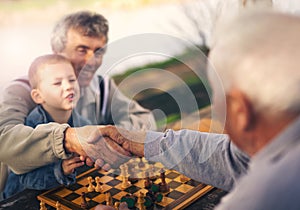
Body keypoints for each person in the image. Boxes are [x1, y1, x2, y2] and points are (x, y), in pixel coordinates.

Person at [95, 11, 300, 209]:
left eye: (216, 94)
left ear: (240, 111)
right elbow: (234, 158)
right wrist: (142, 141)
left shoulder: (259, 198)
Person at [0, 11, 155, 197]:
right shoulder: (22, 90)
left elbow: (144, 119)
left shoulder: (101, 87)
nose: (92, 61)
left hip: (78, 188)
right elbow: (4, 140)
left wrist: (115, 142)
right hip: (24, 195)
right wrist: (68, 139)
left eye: (99, 51)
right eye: (82, 50)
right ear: (57, 50)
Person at [2, 54, 91, 199]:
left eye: (72, 80)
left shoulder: (83, 123)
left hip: (63, 194)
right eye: (57, 83)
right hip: (22, 198)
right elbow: (24, 179)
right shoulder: (31, 127)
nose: (69, 86)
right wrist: (59, 171)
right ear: (38, 96)